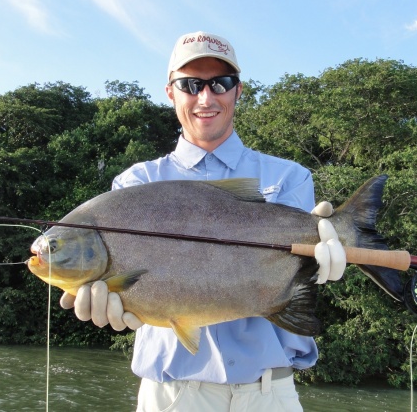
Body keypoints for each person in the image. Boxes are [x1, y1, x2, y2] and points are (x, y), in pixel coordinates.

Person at [59, 31, 346, 412]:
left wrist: (325, 264)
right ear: (170, 92)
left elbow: (299, 278)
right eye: (191, 85)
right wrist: (116, 307)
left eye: (220, 83)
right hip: (170, 395)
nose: (206, 98)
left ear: (238, 91)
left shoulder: (290, 177)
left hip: (270, 396)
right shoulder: (134, 184)